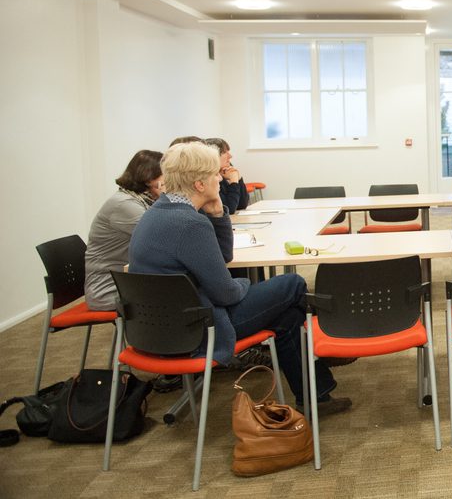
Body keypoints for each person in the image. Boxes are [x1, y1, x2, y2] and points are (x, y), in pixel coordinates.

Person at [128, 142, 349, 414]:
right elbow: (227, 293)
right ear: (199, 184)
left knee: (286, 318)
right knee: (293, 284)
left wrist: (218, 213)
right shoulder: (189, 224)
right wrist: (246, 284)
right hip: (198, 330)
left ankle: (316, 395)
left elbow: (222, 257)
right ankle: (328, 343)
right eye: (214, 174)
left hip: (159, 330)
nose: (220, 178)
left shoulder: (157, 214)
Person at [84, 150, 164, 311]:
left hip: (130, 279)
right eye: (166, 174)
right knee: (189, 291)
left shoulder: (140, 199)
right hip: (108, 289)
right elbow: (164, 239)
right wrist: (168, 196)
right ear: (149, 178)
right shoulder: (124, 205)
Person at [204, 137, 249, 213]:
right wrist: (234, 181)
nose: (230, 156)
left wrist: (238, 177)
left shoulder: (223, 171)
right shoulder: (208, 178)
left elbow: (242, 204)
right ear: (213, 156)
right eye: (225, 152)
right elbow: (228, 209)